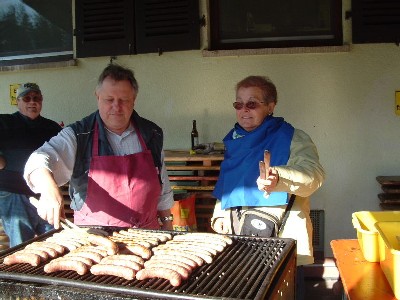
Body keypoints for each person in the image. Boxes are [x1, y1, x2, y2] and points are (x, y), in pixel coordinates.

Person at [24, 64, 174, 231]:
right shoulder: (78, 135)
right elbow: (38, 160)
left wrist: (167, 221)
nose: (116, 107)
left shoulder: (151, 133)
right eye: (109, 100)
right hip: (95, 239)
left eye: (124, 100)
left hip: (148, 234)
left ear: (134, 100)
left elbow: (162, 183)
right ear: (97, 97)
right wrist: (48, 189)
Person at [211, 75, 325, 267]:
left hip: (282, 240)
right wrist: (219, 214)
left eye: (252, 104)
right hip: (238, 241)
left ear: (270, 107)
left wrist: (279, 178)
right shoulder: (235, 139)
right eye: (239, 104)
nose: (244, 109)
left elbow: (314, 175)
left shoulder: (292, 137)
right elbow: (228, 183)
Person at [0, 83, 62, 247]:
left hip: (44, 195)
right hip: (14, 194)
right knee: (21, 246)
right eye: (27, 98)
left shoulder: (52, 127)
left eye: (36, 98)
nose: (32, 102)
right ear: (17, 102)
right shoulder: (4, 122)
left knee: (52, 242)